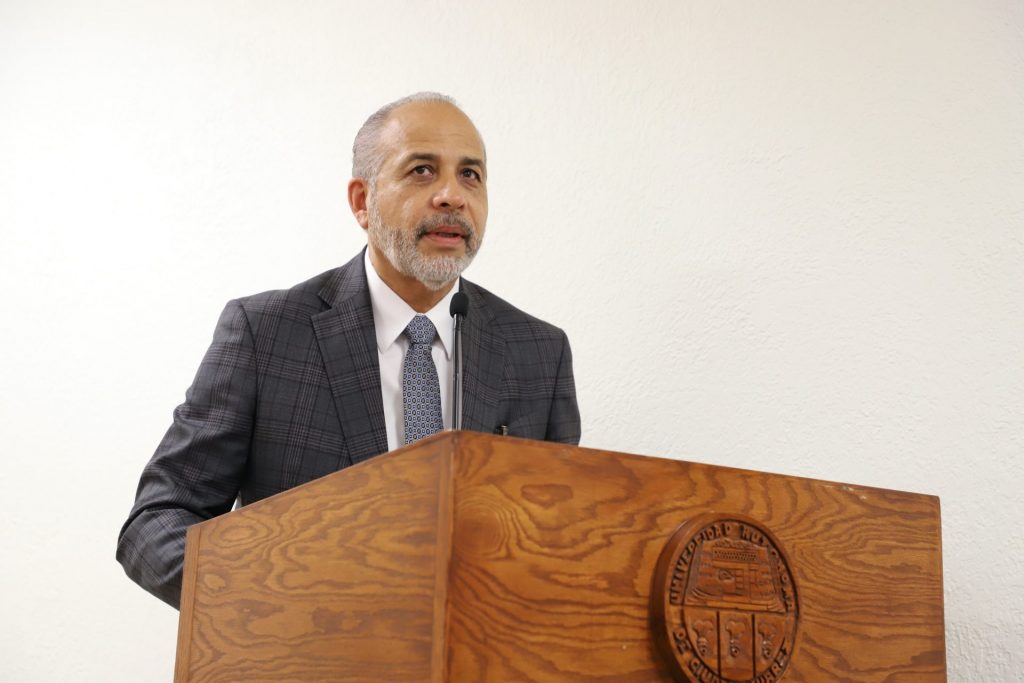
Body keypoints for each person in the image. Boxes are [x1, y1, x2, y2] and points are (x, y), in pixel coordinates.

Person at [116, 92, 581, 608]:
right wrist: (277, 604)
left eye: (470, 174)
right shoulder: (265, 334)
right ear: (362, 201)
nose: (452, 195)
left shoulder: (539, 354)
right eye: (422, 171)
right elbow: (156, 524)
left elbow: (559, 545)